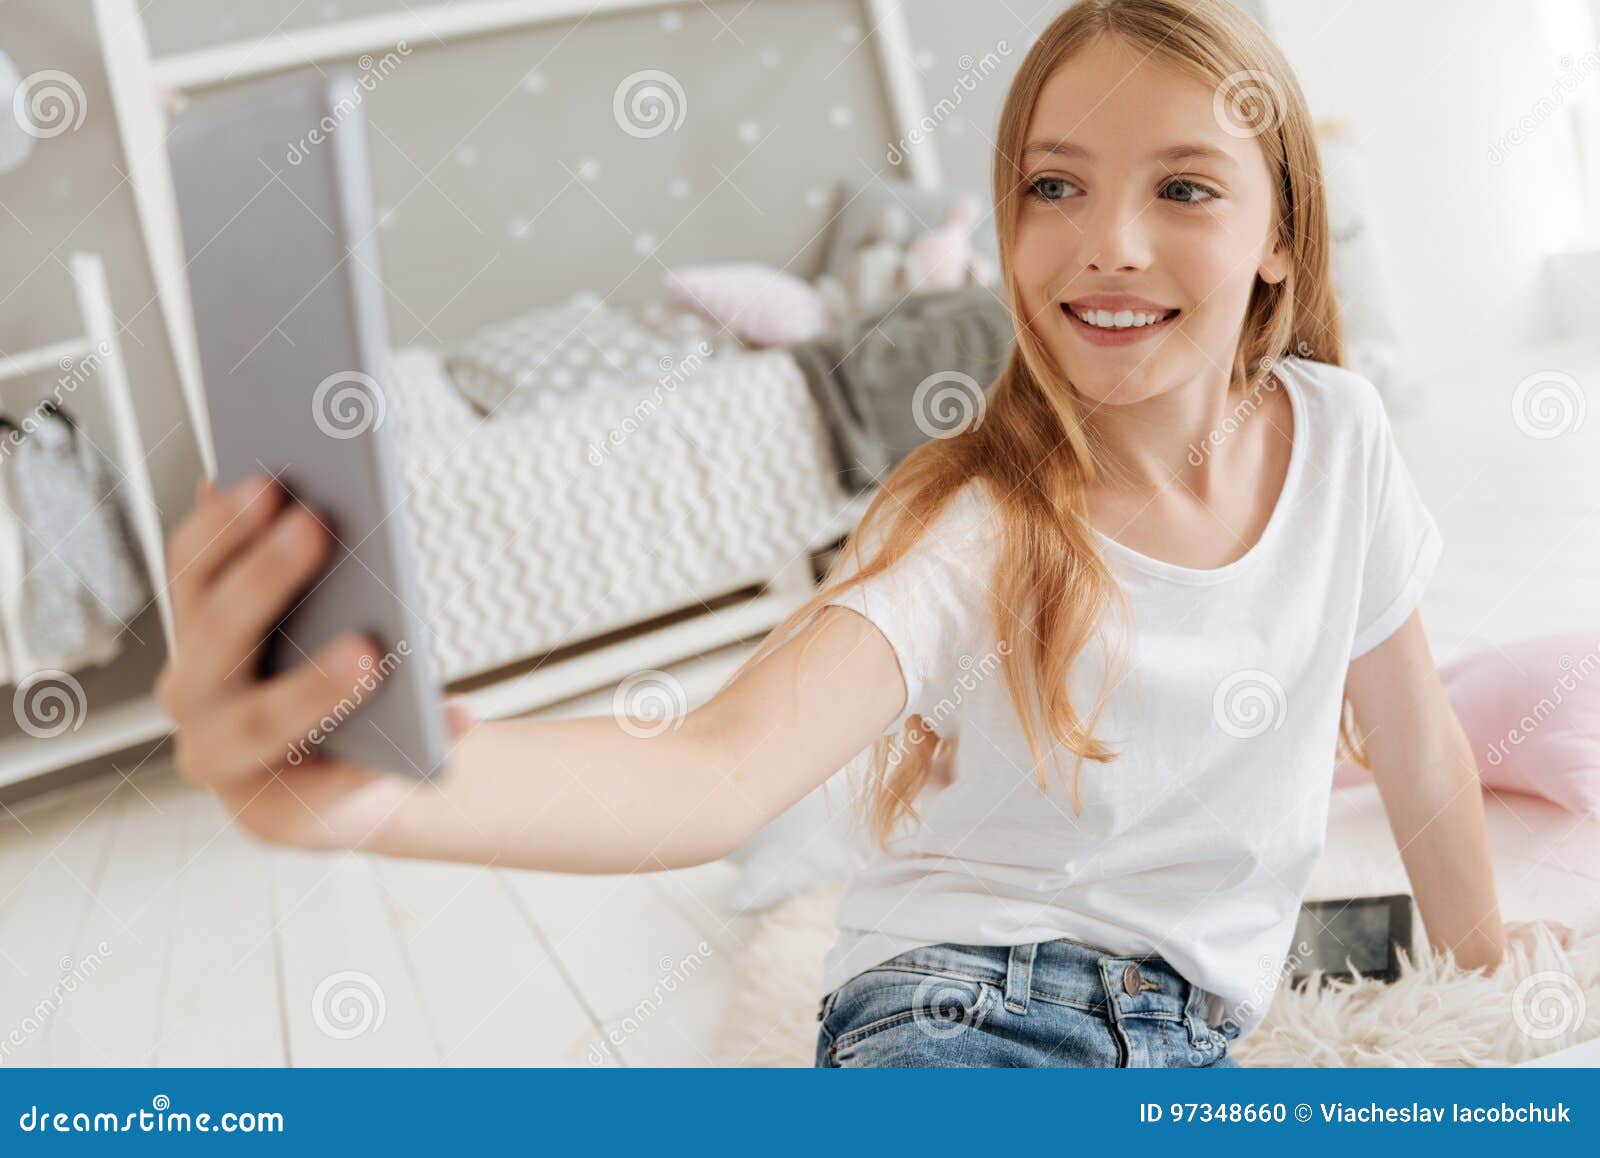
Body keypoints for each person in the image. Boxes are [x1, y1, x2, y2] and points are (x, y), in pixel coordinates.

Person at [156, 0, 1566, 1069]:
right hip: (967, 1014)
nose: (1108, 241)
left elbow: (1420, 739)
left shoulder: (1343, 437)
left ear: (1279, 233)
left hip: (1192, 1023)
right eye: (1053, 185)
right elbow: (709, 770)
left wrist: (1485, 961)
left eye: (1184, 188)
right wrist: (392, 789)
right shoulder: (983, 519)